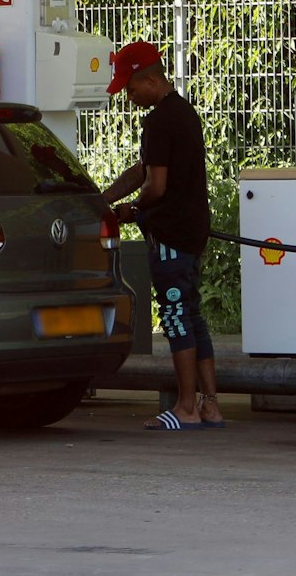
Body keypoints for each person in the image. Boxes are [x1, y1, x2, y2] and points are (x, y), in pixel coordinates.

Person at [98, 41, 224, 431]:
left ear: (151, 80)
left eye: (131, 88)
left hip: (169, 236)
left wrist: (133, 210)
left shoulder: (157, 122)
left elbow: (155, 184)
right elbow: (144, 168)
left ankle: (185, 407)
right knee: (192, 314)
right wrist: (104, 199)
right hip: (192, 232)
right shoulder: (184, 113)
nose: (129, 97)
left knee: (174, 317)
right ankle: (210, 405)